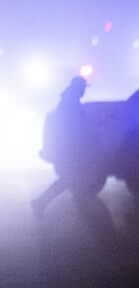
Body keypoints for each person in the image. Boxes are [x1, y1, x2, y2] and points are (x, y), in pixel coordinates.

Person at [33, 76, 98, 219]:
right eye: (83, 88)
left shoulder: (69, 102)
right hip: (69, 151)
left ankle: (40, 203)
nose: (84, 91)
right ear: (78, 88)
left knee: (71, 180)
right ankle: (40, 203)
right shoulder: (71, 105)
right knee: (72, 179)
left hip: (67, 150)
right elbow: (75, 129)